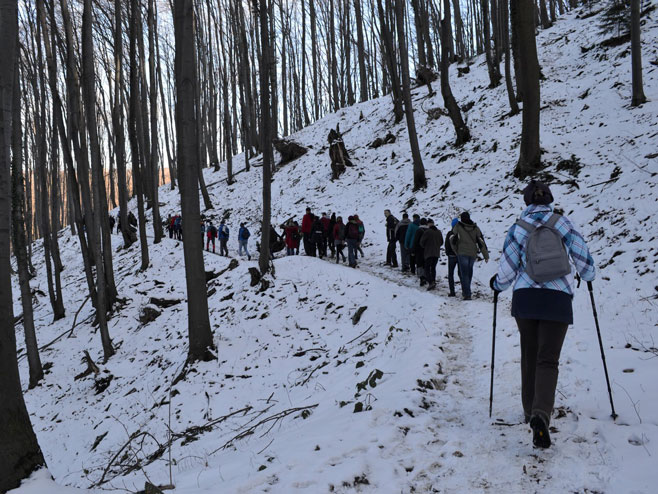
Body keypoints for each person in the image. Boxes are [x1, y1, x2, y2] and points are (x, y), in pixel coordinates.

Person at [491, 180, 596, 449]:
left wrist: (496, 285)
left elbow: (507, 269)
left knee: (529, 354)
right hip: (557, 298)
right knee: (548, 359)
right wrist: (588, 275)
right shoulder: (563, 223)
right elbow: (583, 258)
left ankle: (529, 412)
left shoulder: (518, 227)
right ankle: (541, 414)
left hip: (526, 298)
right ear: (549, 199)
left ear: (527, 201)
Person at [450, 212, 489, 300]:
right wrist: (486, 255)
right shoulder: (475, 228)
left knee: (464, 274)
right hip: (472, 254)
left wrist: (455, 250)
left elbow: (452, 238)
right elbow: (481, 242)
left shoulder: (458, 226)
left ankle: (467, 293)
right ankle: (467, 291)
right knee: (469, 272)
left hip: (462, 252)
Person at [420, 219, 443, 290]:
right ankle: (433, 281)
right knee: (433, 268)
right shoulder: (439, 232)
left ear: (428, 224)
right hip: (436, 253)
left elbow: (421, 242)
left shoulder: (427, 232)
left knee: (427, 268)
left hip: (428, 253)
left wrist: (425, 246)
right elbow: (441, 242)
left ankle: (430, 282)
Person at [445, 218, 460, 296]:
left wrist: (448, 253)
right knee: (461, 273)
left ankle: (452, 291)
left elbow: (447, 244)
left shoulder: (449, 233)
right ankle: (465, 291)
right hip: (460, 256)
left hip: (451, 256)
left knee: (450, 274)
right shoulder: (461, 233)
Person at [412, 218, 429, 285]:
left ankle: (422, 278)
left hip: (419, 250)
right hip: (427, 250)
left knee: (419, 264)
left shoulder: (419, 230)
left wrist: (413, 251)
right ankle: (426, 276)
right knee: (426, 264)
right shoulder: (429, 230)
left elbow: (415, 241)